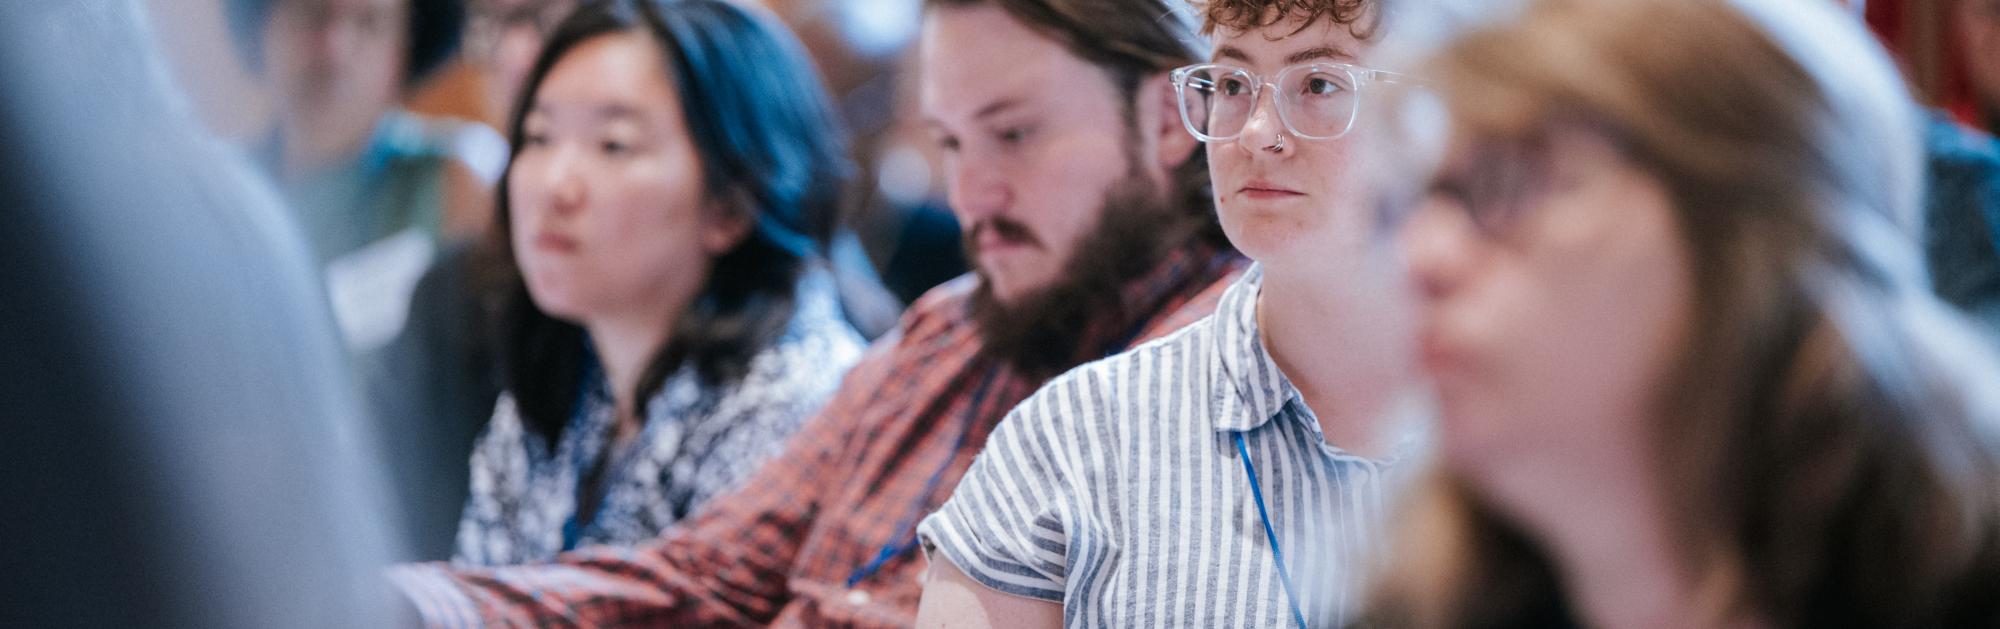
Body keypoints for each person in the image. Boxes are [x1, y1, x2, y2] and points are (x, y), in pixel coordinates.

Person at [385, 0, 1245, 623]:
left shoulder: (1220, 366)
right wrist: (397, 604)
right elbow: (706, 576)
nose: (970, 194)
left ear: (1171, 118)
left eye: (1013, 133)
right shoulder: (950, 332)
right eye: (950, 143)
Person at [1363, 0, 2000, 627]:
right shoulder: (1422, 609)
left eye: (1503, 184)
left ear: (1742, 236)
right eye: (1431, 199)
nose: (1420, 256)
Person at [914, 0, 1427, 627]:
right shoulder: (1075, 440)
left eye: (1319, 84)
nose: (1256, 132)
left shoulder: (1526, 419)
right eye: (1233, 84)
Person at [445, 0, 868, 565]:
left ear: (732, 203)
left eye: (613, 145)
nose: (553, 184)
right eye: (539, 137)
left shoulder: (797, 408)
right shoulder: (566, 374)